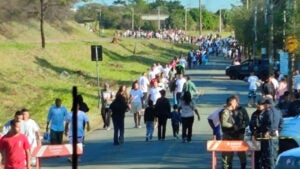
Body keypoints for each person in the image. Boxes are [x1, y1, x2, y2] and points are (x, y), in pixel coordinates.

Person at [259, 98, 283, 169]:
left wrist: (268, 131)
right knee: (275, 155)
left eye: (265, 105)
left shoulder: (268, 112)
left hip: (269, 137)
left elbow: (270, 121)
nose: (264, 106)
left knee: (269, 156)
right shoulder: (278, 111)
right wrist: (278, 130)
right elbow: (281, 122)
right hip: (275, 136)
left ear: (268, 104)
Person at [219, 96, 238, 169]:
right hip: (227, 136)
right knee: (226, 156)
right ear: (231, 103)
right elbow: (224, 123)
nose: (236, 104)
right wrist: (233, 126)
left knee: (230, 156)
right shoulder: (225, 112)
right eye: (235, 102)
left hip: (231, 136)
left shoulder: (231, 112)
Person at [232, 95, 249, 169]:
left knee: (241, 151)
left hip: (240, 133)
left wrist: (240, 127)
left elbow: (247, 121)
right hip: (230, 133)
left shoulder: (242, 109)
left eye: (236, 101)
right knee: (229, 150)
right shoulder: (228, 110)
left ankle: (243, 166)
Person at [249, 99, 265, 169]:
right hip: (256, 137)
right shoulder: (254, 114)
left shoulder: (266, 114)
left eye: (260, 104)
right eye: (257, 104)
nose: (258, 106)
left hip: (264, 138)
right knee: (255, 157)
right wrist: (253, 132)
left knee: (264, 156)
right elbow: (251, 124)